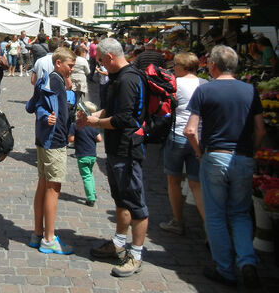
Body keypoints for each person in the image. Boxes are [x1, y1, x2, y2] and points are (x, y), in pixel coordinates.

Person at [184, 45, 265, 288]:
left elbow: (190, 130)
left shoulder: (205, 90)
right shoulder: (250, 90)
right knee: (240, 214)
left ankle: (225, 270)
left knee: (216, 215)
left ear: (214, 66)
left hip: (215, 155)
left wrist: (200, 153)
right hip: (243, 156)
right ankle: (247, 262)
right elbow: (260, 129)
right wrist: (252, 151)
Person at [77, 38, 148, 278]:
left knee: (135, 203)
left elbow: (124, 119)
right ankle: (118, 243)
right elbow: (111, 110)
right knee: (121, 199)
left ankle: (136, 255)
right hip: (116, 149)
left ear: (109, 57)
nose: (100, 66)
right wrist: (93, 115)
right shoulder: (119, 77)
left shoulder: (128, 79)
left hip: (128, 148)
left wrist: (97, 122)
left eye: (100, 61)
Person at [26, 48, 75, 255]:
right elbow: (37, 105)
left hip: (45, 137)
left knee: (44, 184)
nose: (71, 69)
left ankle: (38, 233)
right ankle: (48, 238)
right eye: (69, 66)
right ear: (58, 63)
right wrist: (46, 116)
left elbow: (34, 104)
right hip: (53, 139)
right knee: (53, 188)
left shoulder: (51, 78)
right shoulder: (54, 80)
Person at [159, 52, 206, 236]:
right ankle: (208, 227)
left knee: (173, 181)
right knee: (196, 184)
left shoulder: (176, 84)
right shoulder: (205, 84)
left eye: (176, 65)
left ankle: (178, 221)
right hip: (198, 138)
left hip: (178, 134)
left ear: (185, 67)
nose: (173, 68)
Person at [68, 101, 102, 207]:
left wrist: (77, 137)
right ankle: (93, 192)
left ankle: (90, 198)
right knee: (90, 174)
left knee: (86, 176)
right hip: (92, 155)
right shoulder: (92, 125)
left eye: (78, 110)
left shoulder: (75, 125)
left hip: (82, 155)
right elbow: (99, 139)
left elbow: (71, 139)